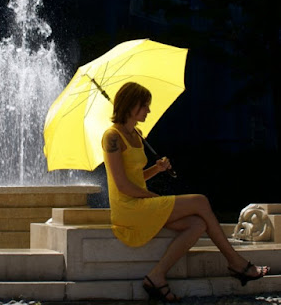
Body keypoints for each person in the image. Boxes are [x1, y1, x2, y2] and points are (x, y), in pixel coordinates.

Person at [102, 82, 269, 303]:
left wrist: (157, 169)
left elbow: (136, 178)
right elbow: (122, 185)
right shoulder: (111, 137)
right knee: (200, 201)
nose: (149, 111)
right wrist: (153, 198)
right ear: (131, 105)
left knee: (197, 224)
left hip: (141, 204)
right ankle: (236, 263)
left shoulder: (137, 134)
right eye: (145, 106)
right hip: (128, 208)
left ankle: (156, 276)